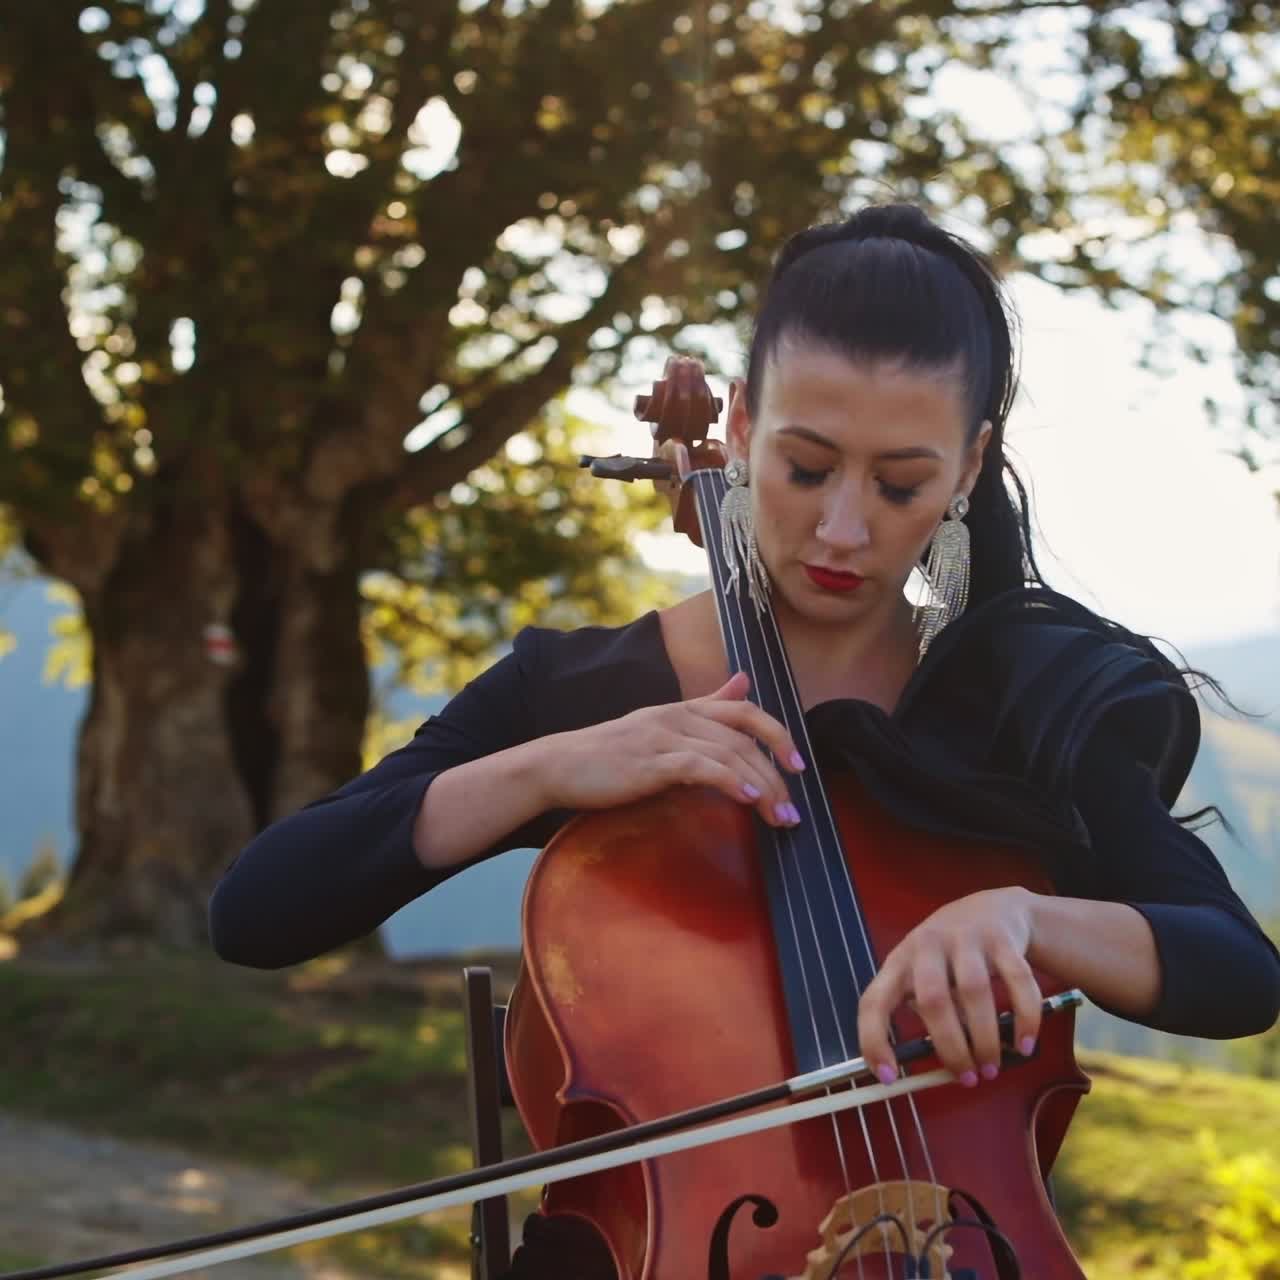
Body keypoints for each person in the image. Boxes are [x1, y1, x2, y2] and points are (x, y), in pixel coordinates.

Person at [209, 202, 1280, 1274]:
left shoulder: (1011, 701)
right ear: (737, 424)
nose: (844, 529)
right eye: (804, 468)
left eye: (899, 482)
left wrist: (1029, 918)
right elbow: (260, 909)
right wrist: (546, 765)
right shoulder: (582, 685)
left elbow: (1234, 968)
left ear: (967, 467)